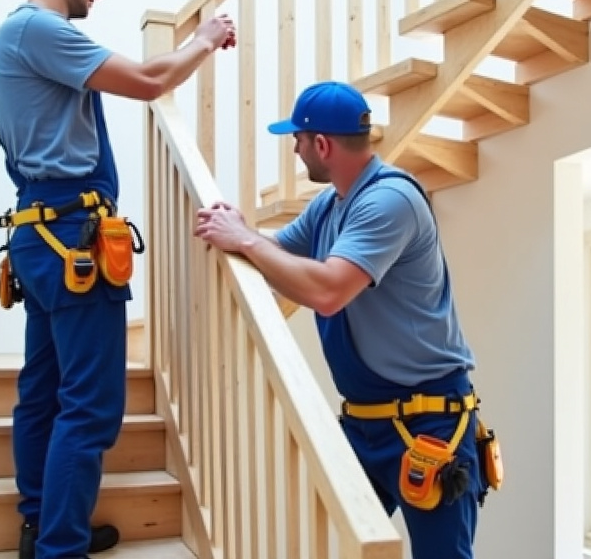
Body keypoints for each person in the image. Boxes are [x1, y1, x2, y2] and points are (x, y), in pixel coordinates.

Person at [0, 0, 236, 559]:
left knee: (42, 392)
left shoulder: (17, 38)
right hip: (70, 233)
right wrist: (205, 38)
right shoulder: (37, 30)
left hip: (40, 231)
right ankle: (61, 546)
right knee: (91, 407)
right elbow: (151, 80)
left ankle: (42, 527)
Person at [193, 81, 496, 559]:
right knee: (333, 545)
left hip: (428, 424)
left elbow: (328, 290)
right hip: (364, 423)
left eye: (297, 139)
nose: (294, 148)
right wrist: (244, 233)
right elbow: (281, 253)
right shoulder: (330, 204)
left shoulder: (389, 200)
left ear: (322, 144)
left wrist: (246, 242)